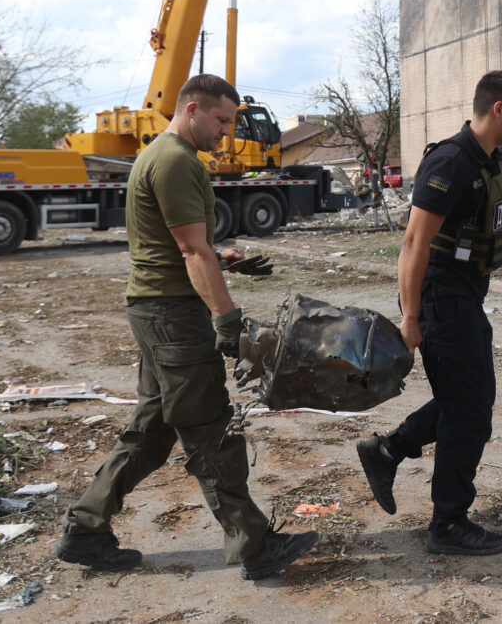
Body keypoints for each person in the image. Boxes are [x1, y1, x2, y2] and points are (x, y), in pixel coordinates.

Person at [55, 74, 317, 580]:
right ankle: (253, 545)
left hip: (159, 309)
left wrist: (223, 259)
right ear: (192, 109)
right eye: (221, 120)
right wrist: (227, 320)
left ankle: (85, 531)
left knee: (152, 432)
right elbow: (190, 251)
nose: (226, 132)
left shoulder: (162, 157)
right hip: (173, 315)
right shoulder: (174, 161)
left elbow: (184, 245)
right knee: (209, 429)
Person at [356, 71, 502, 556]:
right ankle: (448, 523)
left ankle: (389, 450)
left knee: (473, 399)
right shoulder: (451, 161)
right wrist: (411, 318)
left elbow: (494, 224)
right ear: (498, 109)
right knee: (470, 412)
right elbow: (414, 243)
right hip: (439, 296)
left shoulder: (489, 158)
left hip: (464, 294)